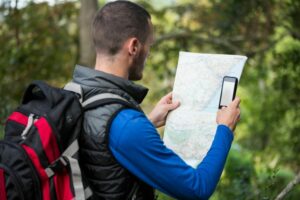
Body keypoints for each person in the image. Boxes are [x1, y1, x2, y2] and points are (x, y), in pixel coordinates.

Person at [74, 1, 241, 200]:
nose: (149, 53)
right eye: (149, 45)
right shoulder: (127, 126)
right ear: (134, 46)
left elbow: (100, 145)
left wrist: (148, 121)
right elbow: (197, 189)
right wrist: (224, 129)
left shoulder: (78, 94)